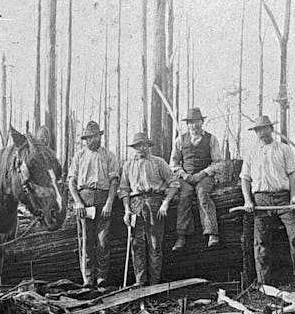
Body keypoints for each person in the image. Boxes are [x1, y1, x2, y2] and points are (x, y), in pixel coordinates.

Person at [240, 115, 295, 284]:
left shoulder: (284, 149)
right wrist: (248, 201)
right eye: (258, 130)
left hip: (283, 199)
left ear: (271, 129)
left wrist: (293, 197)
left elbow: (292, 175)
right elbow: (245, 179)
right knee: (260, 241)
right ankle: (263, 282)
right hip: (261, 200)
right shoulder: (251, 152)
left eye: (264, 128)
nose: (261, 132)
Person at [119, 132, 180, 286]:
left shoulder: (158, 162)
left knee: (155, 244)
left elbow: (174, 183)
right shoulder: (128, 165)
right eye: (138, 146)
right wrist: (127, 210)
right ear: (134, 148)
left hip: (155, 203)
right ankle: (141, 284)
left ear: (148, 146)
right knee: (137, 245)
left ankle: (154, 284)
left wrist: (166, 202)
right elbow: (124, 189)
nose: (141, 148)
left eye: (144, 145)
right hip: (136, 205)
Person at [67, 121, 120, 288]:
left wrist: (109, 203)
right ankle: (88, 278)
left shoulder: (109, 156)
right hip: (84, 199)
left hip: (103, 198)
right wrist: (77, 202)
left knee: (103, 240)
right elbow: (71, 181)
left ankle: (102, 276)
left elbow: (114, 181)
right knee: (86, 240)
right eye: (90, 137)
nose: (94, 140)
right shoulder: (79, 156)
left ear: (100, 136)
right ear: (85, 139)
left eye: (96, 136)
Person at [170, 107, 223, 250]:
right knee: (184, 197)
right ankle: (181, 235)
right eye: (191, 122)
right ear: (187, 124)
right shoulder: (180, 140)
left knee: (203, 194)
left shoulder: (211, 139)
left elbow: (218, 163)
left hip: (204, 176)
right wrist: (184, 175)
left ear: (202, 122)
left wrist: (203, 173)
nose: (194, 125)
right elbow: (173, 164)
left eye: (197, 122)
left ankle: (212, 233)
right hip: (186, 176)